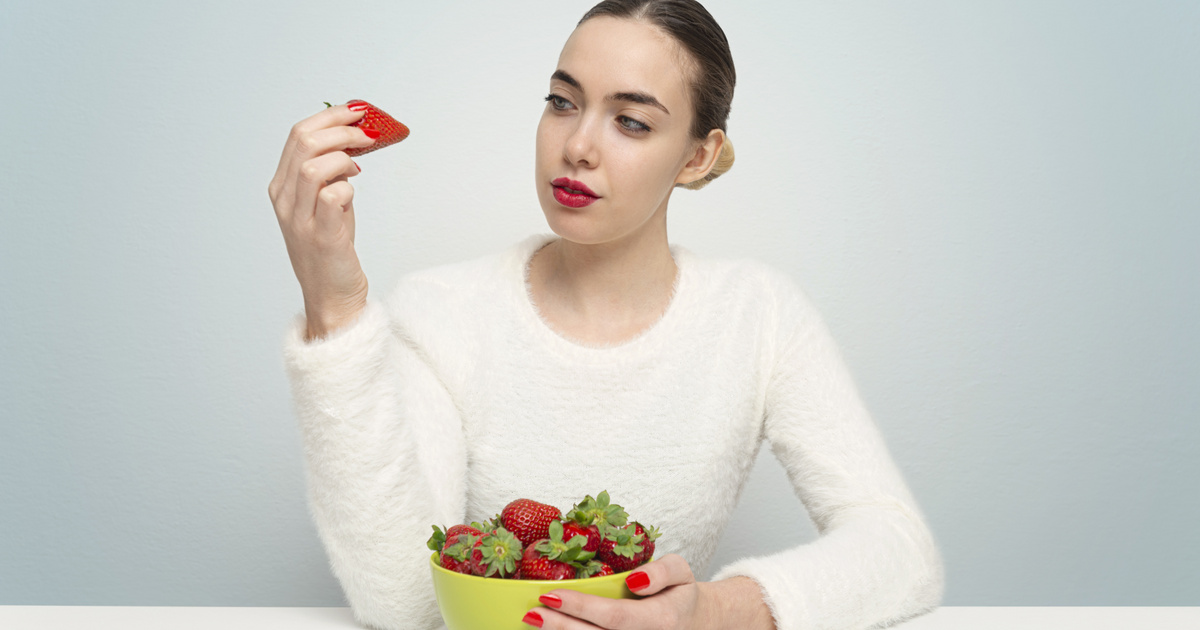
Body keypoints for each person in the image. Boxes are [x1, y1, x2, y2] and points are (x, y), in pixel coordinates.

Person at [268, 0, 945, 628]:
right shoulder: (441, 312)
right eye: (563, 102)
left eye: (631, 121)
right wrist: (335, 306)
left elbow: (900, 550)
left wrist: (711, 612)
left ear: (697, 155)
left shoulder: (757, 314)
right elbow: (405, 601)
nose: (578, 145)